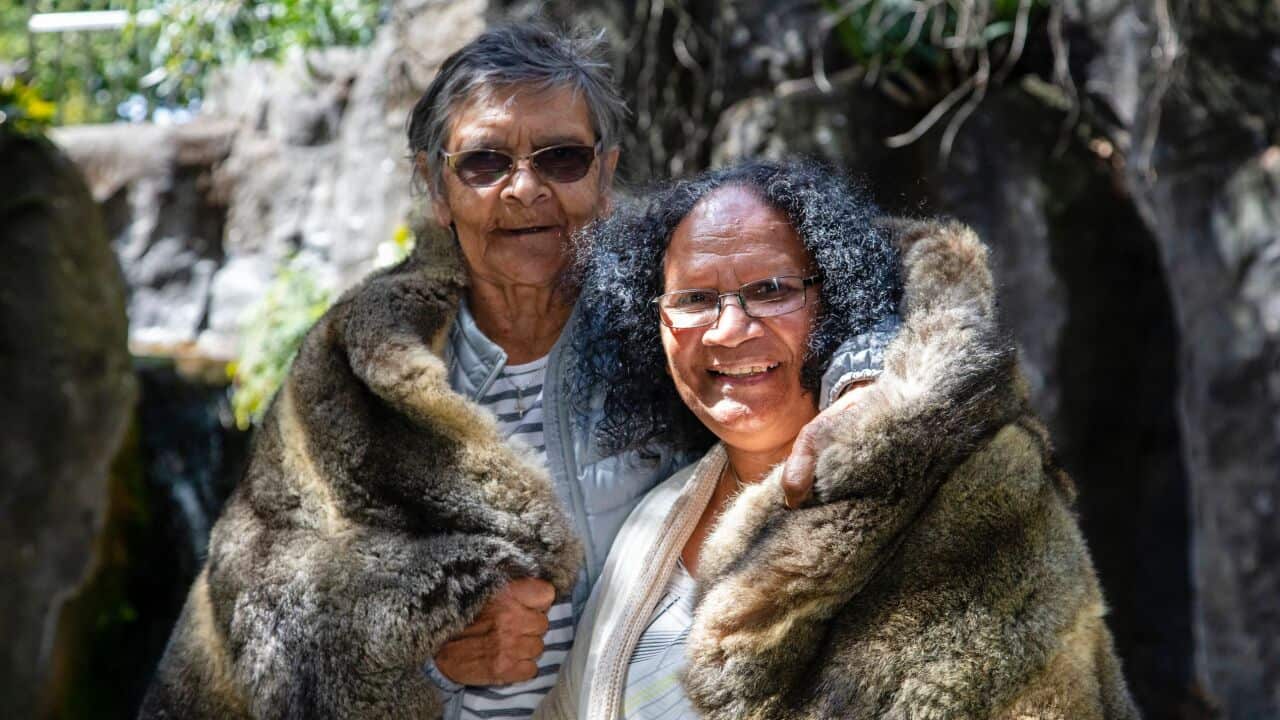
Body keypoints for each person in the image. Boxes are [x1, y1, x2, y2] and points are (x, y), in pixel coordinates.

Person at [142, 23, 890, 720]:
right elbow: (252, 599)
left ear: (606, 174)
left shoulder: (676, 319)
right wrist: (425, 644)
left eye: (560, 158)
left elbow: (885, 274)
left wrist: (866, 376)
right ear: (436, 189)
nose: (525, 189)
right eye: (485, 162)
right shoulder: (364, 365)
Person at [539, 160, 1140, 719]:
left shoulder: (979, 495)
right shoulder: (658, 512)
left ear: (844, 300)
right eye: (694, 299)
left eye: (771, 289)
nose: (729, 329)